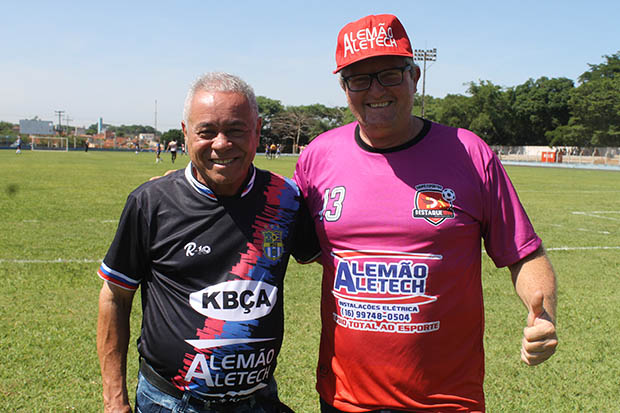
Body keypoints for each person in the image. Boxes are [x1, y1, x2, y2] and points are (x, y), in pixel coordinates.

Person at [293, 14, 558, 412]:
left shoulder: (470, 154)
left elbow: (524, 254)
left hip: (446, 401)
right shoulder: (318, 156)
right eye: (358, 79)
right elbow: (286, 229)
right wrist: (185, 183)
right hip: (343, 400)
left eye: (388, 74)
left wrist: (545, 317)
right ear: (344, 88)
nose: (375, 90)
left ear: (415, 75)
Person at [97, 72, 318, 413]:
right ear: (185, 134)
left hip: (257, 401)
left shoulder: (285, 200)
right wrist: (114, 401)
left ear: (257, 131)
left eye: (235, 130)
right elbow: (115, 296)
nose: (221, 143)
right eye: (207, 131)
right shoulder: (151, 202)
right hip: (169, 403)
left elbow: (340, 255)